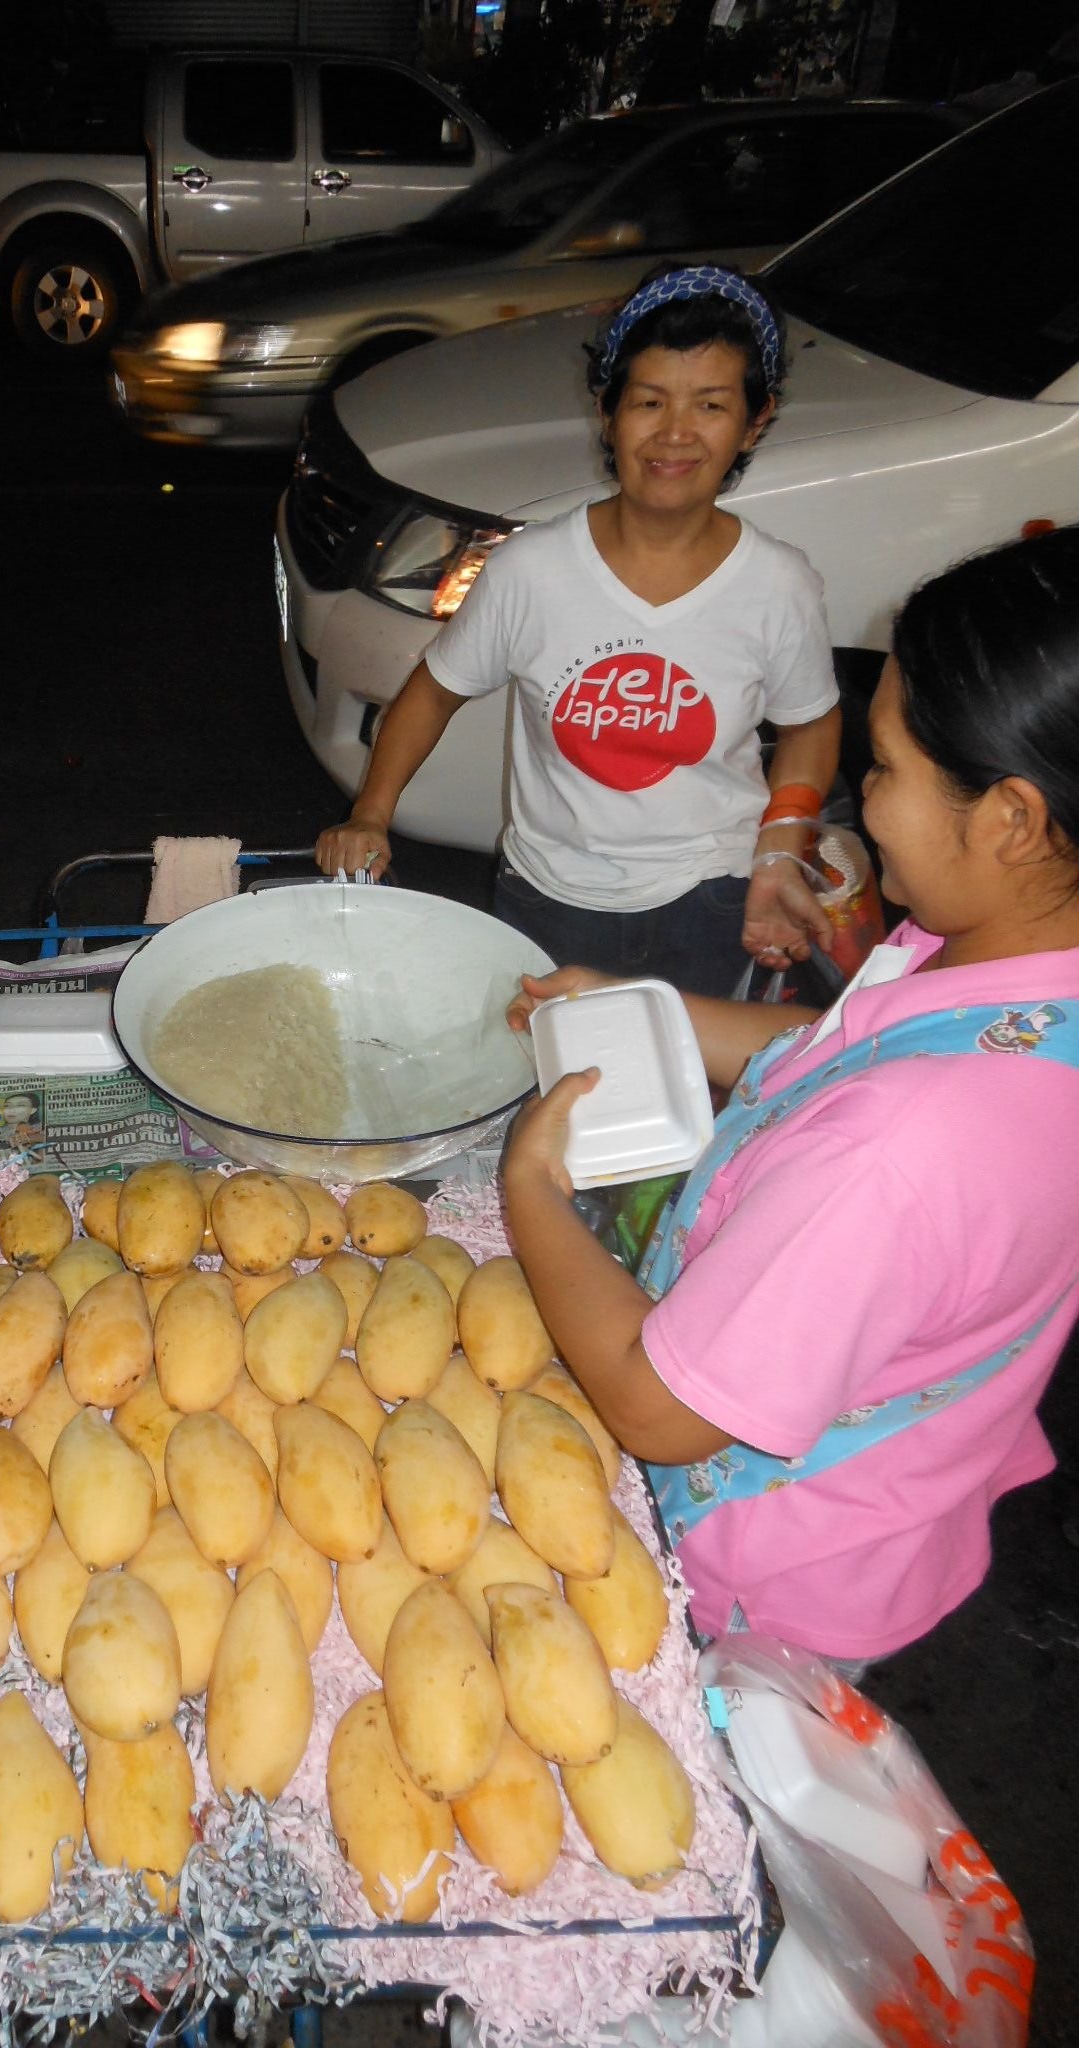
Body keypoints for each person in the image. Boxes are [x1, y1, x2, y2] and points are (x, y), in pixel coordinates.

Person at [501, 524, 1079, 1665]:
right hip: (889, 1504)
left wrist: (527, 1185)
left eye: (886, 767)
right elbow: (843, 1038)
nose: (861, 798)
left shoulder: (902, 1150)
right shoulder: (1004, 971)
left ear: (1010, 817)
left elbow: (659, 1408)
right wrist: (645, 1003)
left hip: (762, 1580)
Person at [315, 264, 842, 999]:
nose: (675, 433)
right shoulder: (531, 569)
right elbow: (432, 693)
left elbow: (812, 721)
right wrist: (370, 815)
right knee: (549, 1086)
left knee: (693, 1098)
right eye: (649, 401)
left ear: (756, 420)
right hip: (549, 896)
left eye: (712, 405)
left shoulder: (778, 583)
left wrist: (783, 845)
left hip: (713, 895)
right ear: (608, 412)